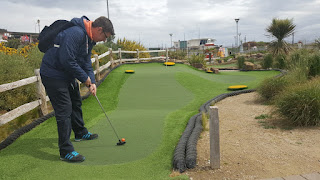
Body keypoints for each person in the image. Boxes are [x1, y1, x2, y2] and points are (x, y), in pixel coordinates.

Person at [40, 16, 115, 162]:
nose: (103, 40)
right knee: (64, 110)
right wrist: (84, 79)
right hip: (53, 74)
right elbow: (67, 60)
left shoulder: (88, 39)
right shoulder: (76, 33)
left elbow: (86, 60)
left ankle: (80, 133)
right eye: (105, 37)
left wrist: (92, 81)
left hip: (66, 74)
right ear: (99, 29)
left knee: (76, 102)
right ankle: (65, 151)